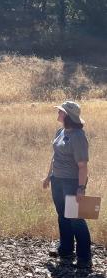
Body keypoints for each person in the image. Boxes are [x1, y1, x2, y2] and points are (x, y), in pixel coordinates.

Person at [42, 100, 92, 269]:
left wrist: (81, 188)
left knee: (76, 218)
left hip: (72, 182)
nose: (58, 113)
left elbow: (82, 165)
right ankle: (66, 250)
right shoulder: (60, 131)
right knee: (62, 215)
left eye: (61, 111)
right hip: (57, 180)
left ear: (68, 116)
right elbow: (54, 156)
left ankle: (84, 257)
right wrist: (48, 176)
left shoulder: (78, 137)